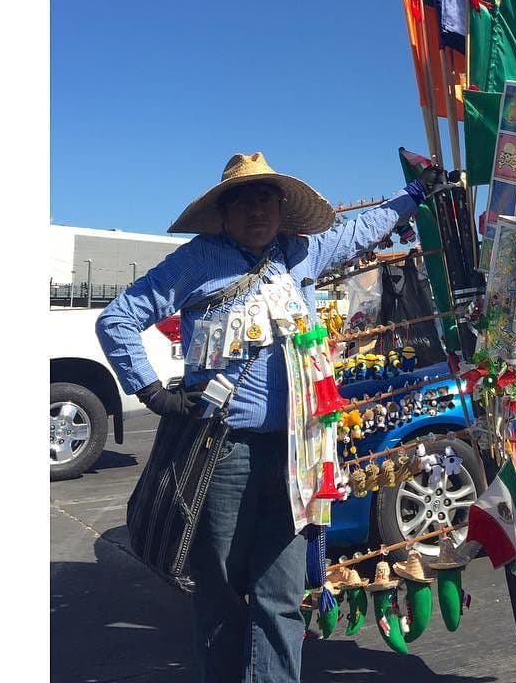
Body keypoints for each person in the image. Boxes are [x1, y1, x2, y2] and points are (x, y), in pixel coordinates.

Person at [96, 151, 441, 683]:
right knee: (222, 594)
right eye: (244, 201)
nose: (256, 211)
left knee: (281, 595)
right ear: (224, 213)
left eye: (265, 199)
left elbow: (361, 231)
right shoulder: (198, 261)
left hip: (295, 456)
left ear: (280, 209)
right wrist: (154, 393)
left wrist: (414, 196)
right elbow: (120, 319)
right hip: (221, 453)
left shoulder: (300, 254)